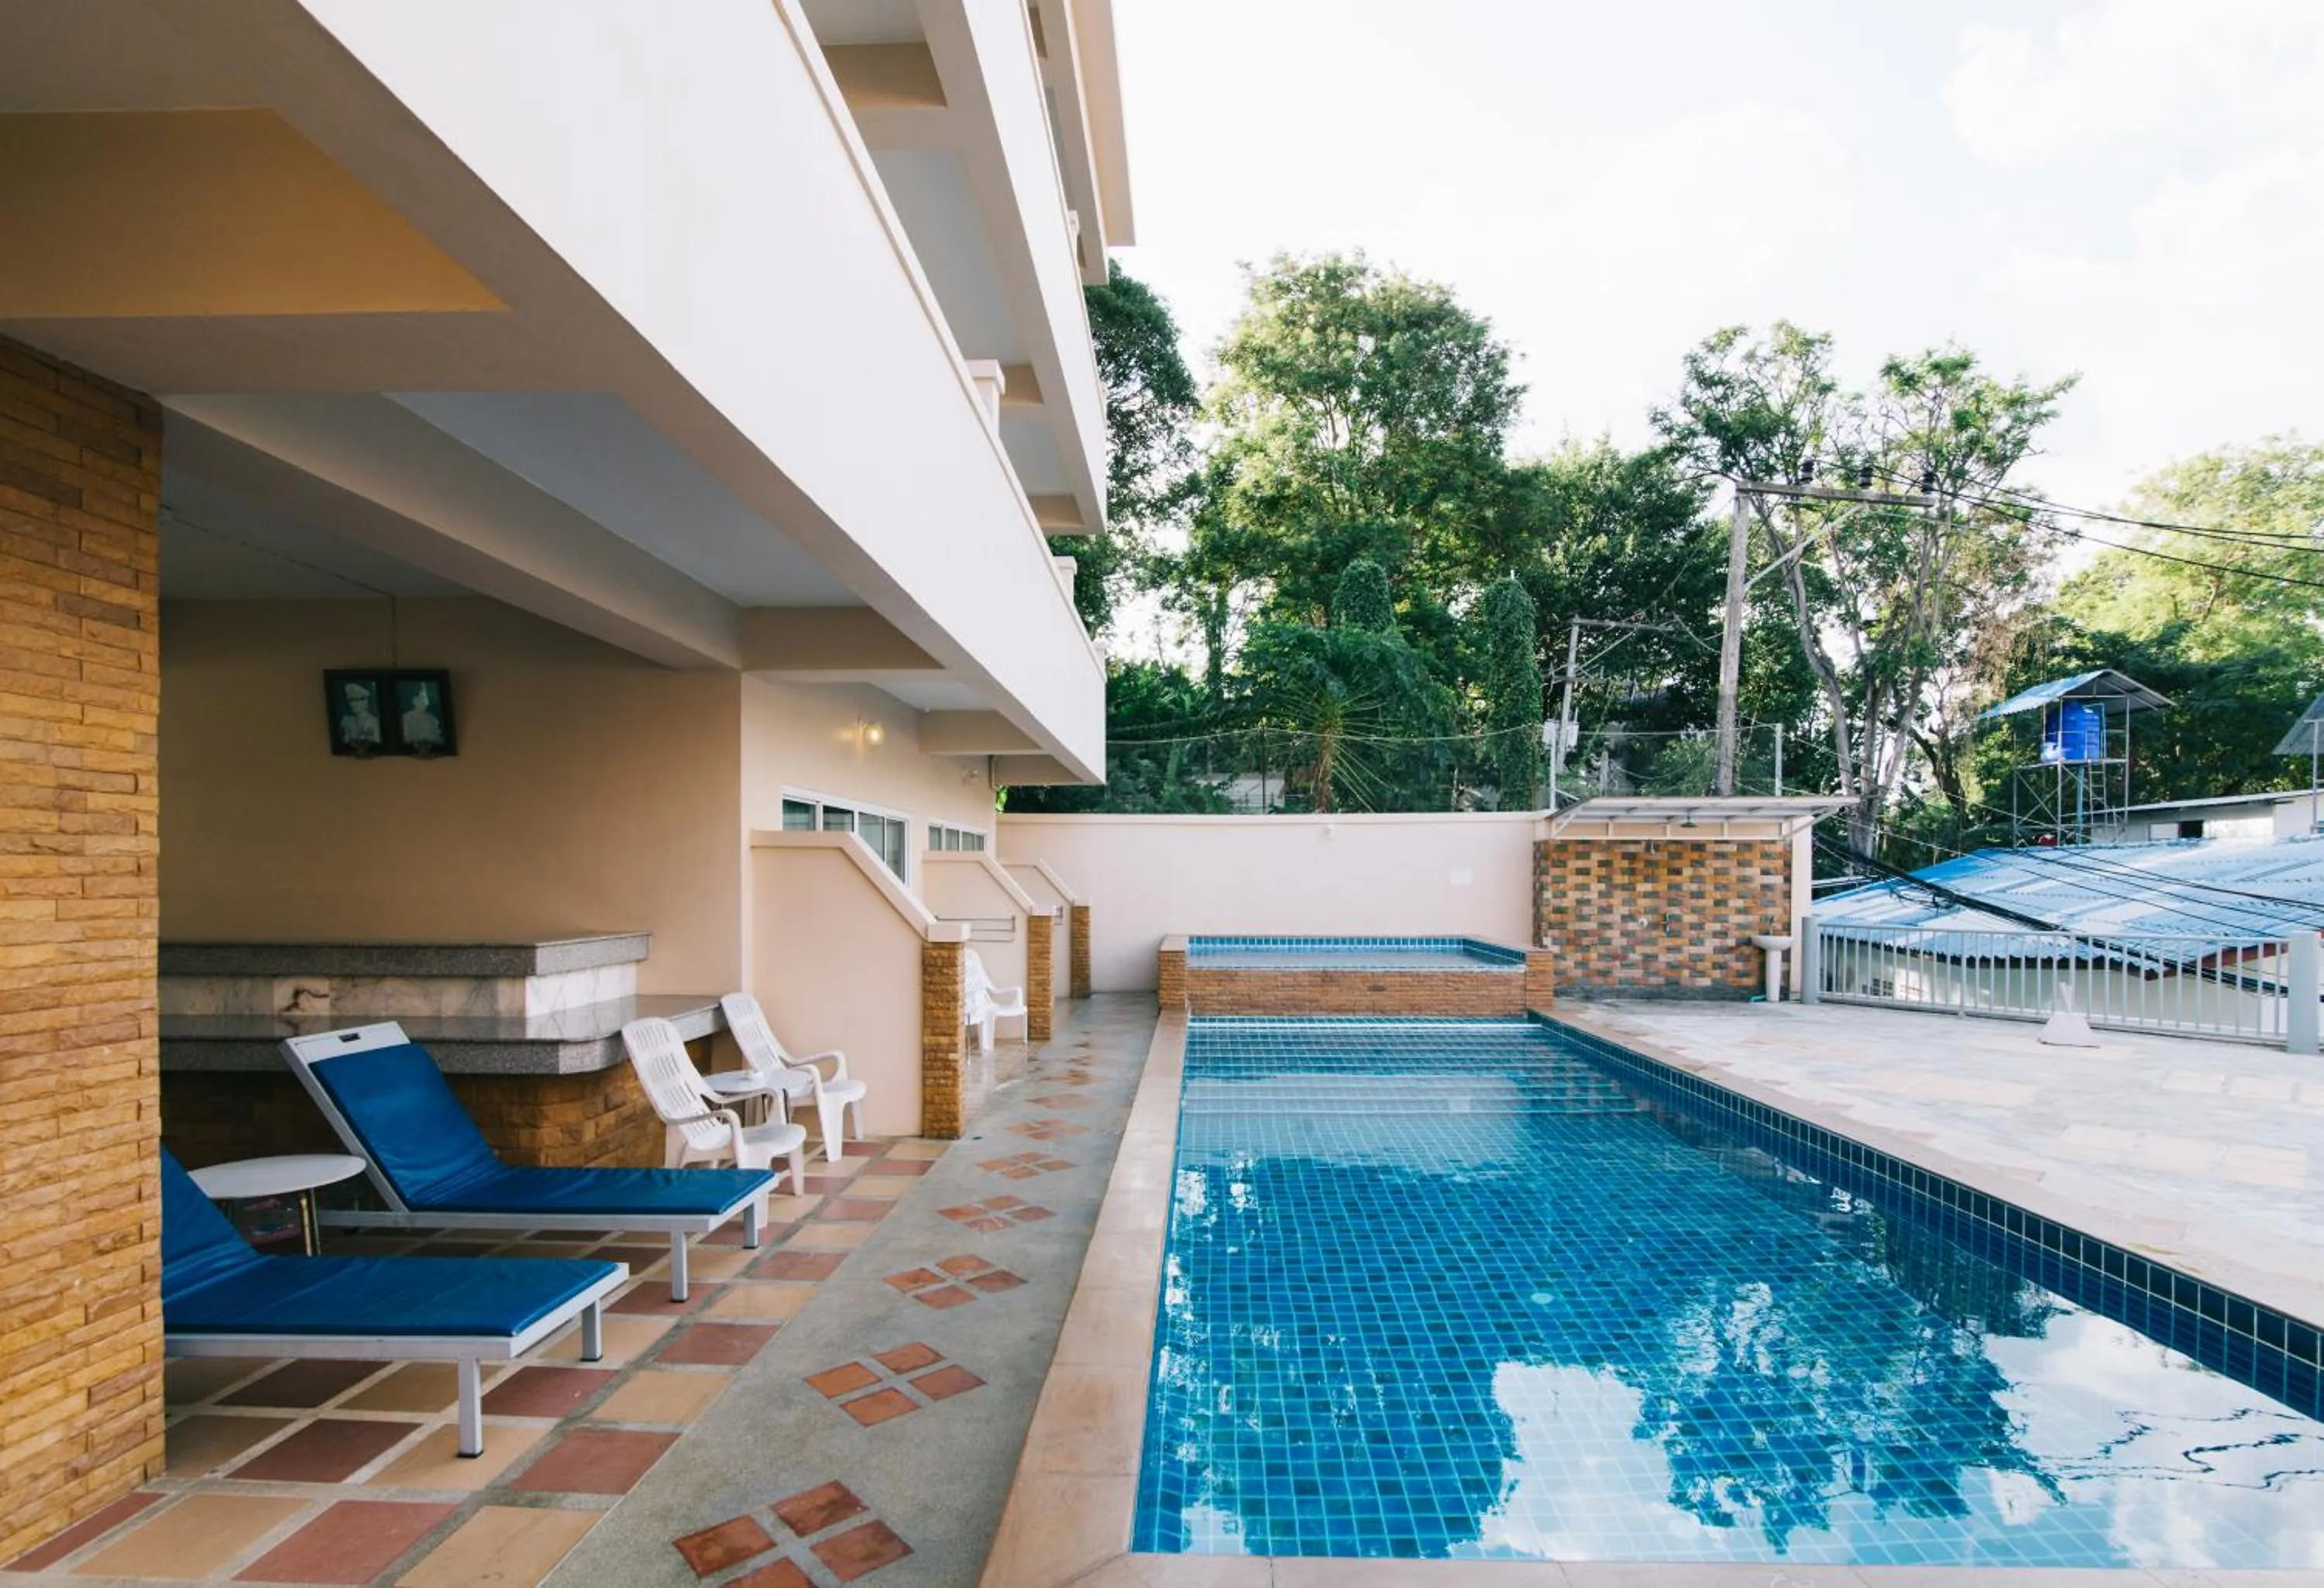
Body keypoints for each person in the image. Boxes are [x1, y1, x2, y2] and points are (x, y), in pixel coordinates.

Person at [401, 682, 444, 751]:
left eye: (427, 698)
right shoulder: (406, 718)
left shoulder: (433, 719)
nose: (426, 702)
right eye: (423, 698)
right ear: (414, 700)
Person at [339, 682, 381, 749]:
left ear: (367, 701)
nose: (356, 704)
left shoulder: (376, 722)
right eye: (352, 700)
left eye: (361, 699)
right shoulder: (346, 721)